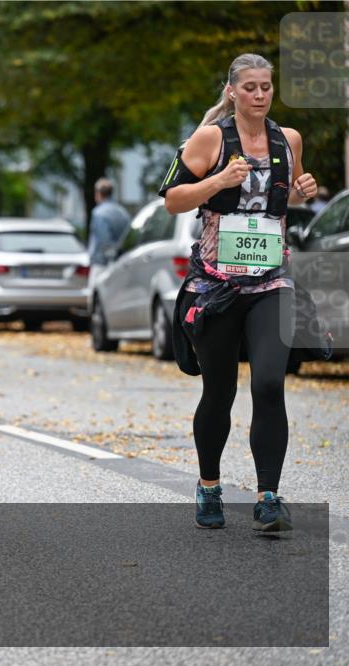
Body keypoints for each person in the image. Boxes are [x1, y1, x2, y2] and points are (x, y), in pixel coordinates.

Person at [159, 53, 317, 532]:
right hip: (218, 286)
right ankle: (209, 487)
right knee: (220, 391)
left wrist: (303, 189)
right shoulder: (210, 138)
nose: (259, 95)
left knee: (270, 384)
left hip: (272, 280)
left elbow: (281, 197)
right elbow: (171, 200)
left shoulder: (288, 140)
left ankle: (269, 497)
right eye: (249, 87)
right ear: (232, 91)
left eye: (266, 86)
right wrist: (218, 180)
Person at [86, 178, 131, 270]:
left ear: (98, 194)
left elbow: (103, 241)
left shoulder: (98, 213)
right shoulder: (123, 212)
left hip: (101, 264)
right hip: (120, 263)